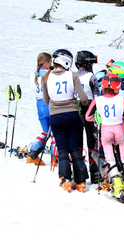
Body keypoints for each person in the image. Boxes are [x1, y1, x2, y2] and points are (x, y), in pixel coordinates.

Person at [42, 49, 89, 193]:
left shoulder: (46, 77)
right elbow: (84, 98)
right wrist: (83, 105)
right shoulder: (72, 75)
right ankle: (80, 182)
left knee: (62, 148)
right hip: (72, 115)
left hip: (56, 117)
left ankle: (65, 180)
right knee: (74, 147)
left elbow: (45, 100)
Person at [85, 73, 124, 201]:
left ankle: (117, 187)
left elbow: (88, 117)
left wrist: (99, 118)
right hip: (119, 130)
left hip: (106, 131)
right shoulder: (122, 100)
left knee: (110, 159)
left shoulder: (98, 100)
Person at [27, 52, 57, 166]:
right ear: (46, 62)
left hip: (39, 104)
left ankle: (32, 155)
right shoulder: (49, 74)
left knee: (46, 132)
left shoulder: (33, 75)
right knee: (55, 133)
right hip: (49, 103)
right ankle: (55, 159)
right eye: (50, 62)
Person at [75, 50, 100, 184]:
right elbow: (97, 94)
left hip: (76, 107)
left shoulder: (72, 76)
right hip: (90, 107)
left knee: (78, 142)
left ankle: (79, 172)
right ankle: (94, 172)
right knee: (92, 141)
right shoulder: (92, 76)